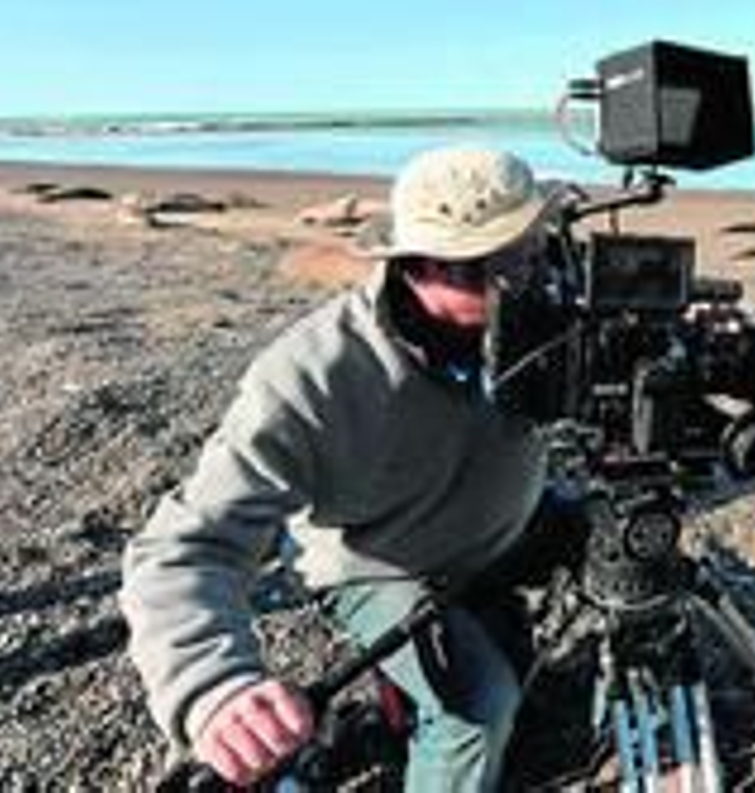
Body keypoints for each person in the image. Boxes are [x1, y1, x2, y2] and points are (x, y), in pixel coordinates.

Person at [119, 147, 560, 791]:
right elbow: (186, 546)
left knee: (625, 557)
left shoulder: (550, 311)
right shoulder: (313, 376)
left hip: (508, 521)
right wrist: (214, 686)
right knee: (477, 711)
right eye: (487, 269)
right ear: (415, 266)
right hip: (383, 561)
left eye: (533, 253)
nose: (523, 285)